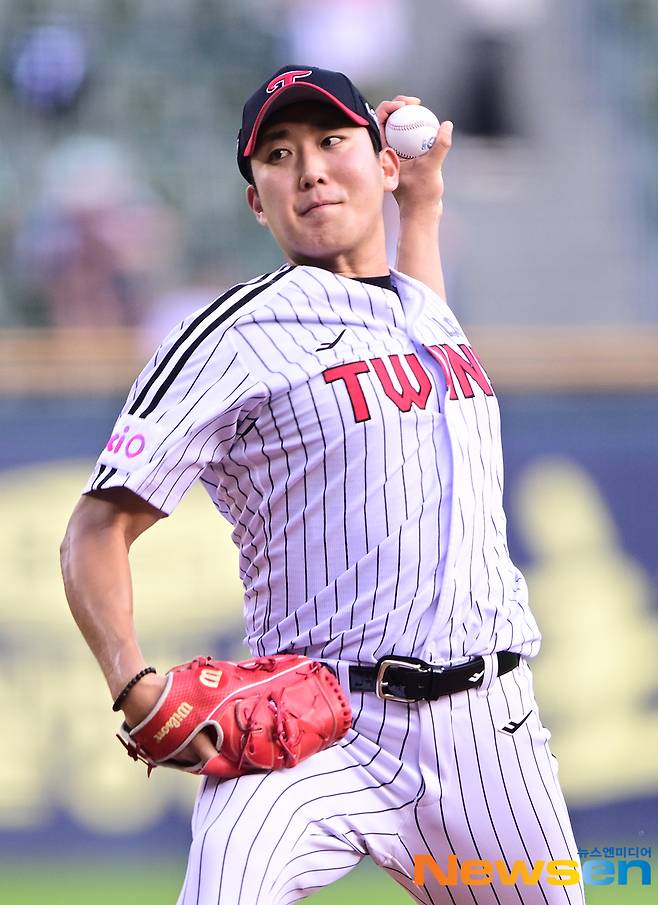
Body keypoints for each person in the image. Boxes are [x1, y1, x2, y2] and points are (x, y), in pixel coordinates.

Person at [61, 65, 585, 904]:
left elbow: (404, 323)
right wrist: (131, 681)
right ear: (256, 201)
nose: (308, 168)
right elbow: (96, 526)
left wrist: (422, 204)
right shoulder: (234, 332)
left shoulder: (424, 310)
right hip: (313, 722)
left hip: (488, 729)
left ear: (382, 162)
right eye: (278, 154)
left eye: (332, 140)